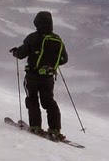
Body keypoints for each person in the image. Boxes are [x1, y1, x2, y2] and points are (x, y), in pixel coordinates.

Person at [10, 11, 69, 140]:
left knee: (32, 99)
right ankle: (55, 129)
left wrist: (15, 52)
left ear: (37, 23)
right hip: (48, 77)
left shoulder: (33, 37)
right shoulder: (57, 39)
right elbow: (64, 59)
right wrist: (50, 65)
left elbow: (21, 54)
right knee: (49, 102)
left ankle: (35, 126)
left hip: (33, 75)